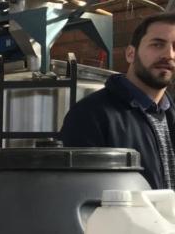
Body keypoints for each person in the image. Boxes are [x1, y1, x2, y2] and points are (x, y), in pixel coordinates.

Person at [60, 13, 175, 189]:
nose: (169, 54)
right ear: (130, 54)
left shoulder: (170, 114)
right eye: (157, 44)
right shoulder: (90, 115)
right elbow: (79, 193)